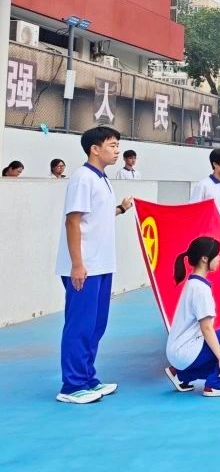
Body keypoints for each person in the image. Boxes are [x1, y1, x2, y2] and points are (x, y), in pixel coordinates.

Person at [54, 126, 133, 404]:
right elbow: (73, 221)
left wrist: (121, 209)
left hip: (102, 265)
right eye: (112, 145)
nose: (117, 150)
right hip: (84, 267)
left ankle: (87, 377)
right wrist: (77, 264)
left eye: (118, 145)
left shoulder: (102, 179)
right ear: (94, 149)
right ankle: (72, 385)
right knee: (80, 325)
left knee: (96, 325)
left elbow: (97, 216)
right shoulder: (82, 178)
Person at [165, 236, 220, 397]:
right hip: (186, 351)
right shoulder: (200, 289)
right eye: (217, 255)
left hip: (179, 352)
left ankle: (181, 374)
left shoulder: (193, 283)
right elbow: (207, 328)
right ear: (205, 259)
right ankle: (216, 385)